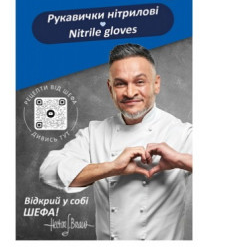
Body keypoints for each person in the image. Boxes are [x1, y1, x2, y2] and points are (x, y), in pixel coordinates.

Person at [39, 43, 192, 240]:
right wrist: (112, 168)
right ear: (110, 88)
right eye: (120, 84)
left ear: (156, 84)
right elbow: (48, 172)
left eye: (139, 82)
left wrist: (180, 160)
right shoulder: (95, 133)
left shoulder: (180, 132)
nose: (130, 92)